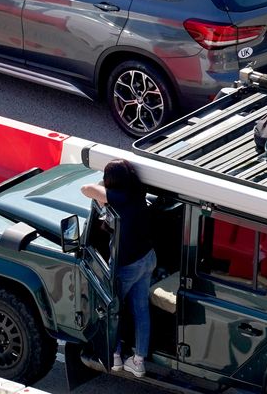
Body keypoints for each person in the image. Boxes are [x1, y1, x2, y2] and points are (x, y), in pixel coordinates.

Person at [81, 159, 156, 378]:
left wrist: (103, 189)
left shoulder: (118, 198)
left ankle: (114, 356)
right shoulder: (138, 191)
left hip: (128, 265)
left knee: (113, 309)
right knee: (141, 309)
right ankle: (138, 361)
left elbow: (85, 189)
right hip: (148, 258)